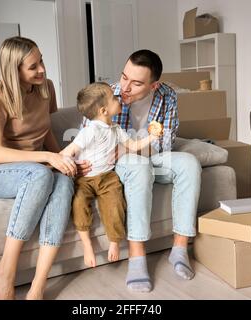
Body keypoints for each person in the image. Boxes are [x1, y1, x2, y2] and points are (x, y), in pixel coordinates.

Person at [0, 36, 91, 300]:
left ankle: (38, 285)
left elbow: (44, 129)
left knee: (63, 181)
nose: (42, 70)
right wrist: (47, 157)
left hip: (34, 166)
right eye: (33, 66)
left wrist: (62, 160)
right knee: (40, 173)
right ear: (15, 70)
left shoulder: (45, 87)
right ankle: (5, 271)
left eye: (42, 61)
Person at [83, 50, 202, 293]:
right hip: (117, 163)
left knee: (189, 163)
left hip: (146, 153)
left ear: (154, 85)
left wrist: (132, 151)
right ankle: (137, 258)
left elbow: (165, 143)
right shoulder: (108, 94)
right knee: (140, 168)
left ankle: (179, 249)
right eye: (124, 76)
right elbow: (87, 134)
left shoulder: (167, 96)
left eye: (136, 83)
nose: (125, 87)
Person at [61, 82, 162, 268]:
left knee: (116, 203)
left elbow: (133, 146)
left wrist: (152, 137)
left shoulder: (116, 129)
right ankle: (87, 245)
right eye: (114, 98)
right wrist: (68, 165)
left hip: (107, 177)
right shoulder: (90, 130)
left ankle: (114, 242)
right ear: (103, 110)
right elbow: (68, 151)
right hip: (85, 179)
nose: (118, 98)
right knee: (79, 202)